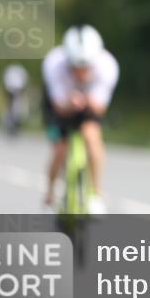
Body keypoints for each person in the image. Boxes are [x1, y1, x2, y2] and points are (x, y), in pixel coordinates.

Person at [41, 25, 119, 214]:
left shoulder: (107, 66)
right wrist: (69, 103)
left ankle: (96, 194)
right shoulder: (53, 64)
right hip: (61, 105)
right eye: (75, 67)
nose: (80, 73)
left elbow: (100, 107)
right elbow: (58, 106)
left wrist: (88, 101)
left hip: (90, 105)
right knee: (60, 147)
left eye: (85, 68)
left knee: (92, 136)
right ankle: (51, 192)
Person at [2, 63, 29, 135]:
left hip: (17, 90)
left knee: (17, 107)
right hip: (11, 90)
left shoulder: (18, 72)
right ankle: (9, 122)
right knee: (10, 107)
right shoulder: (13, 72)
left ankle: (15, 123)